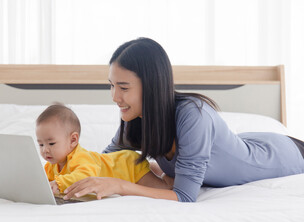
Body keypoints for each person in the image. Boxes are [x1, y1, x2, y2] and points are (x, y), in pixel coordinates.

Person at [63, 37, 304, 202]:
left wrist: (118, 185)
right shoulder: (135, 117)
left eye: (123, 87)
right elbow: (105, 161)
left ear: (152, 86)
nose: (115, 97)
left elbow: (185, 196)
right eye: (112, 85)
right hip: (246, 143)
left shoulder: (192, 115)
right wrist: (61, 175)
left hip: (280, 155)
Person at [35, 103, 172, 195]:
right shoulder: (51, 166)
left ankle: (168, 175)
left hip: (129, 167)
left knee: (163, 188)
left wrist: (59, 184)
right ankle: (153, 168)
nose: (45, 150)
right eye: (41, 144)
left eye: (51, 144)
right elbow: (44, 182)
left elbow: (86, 176)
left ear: (73, 140)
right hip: (120, 162)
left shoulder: (82, 158)